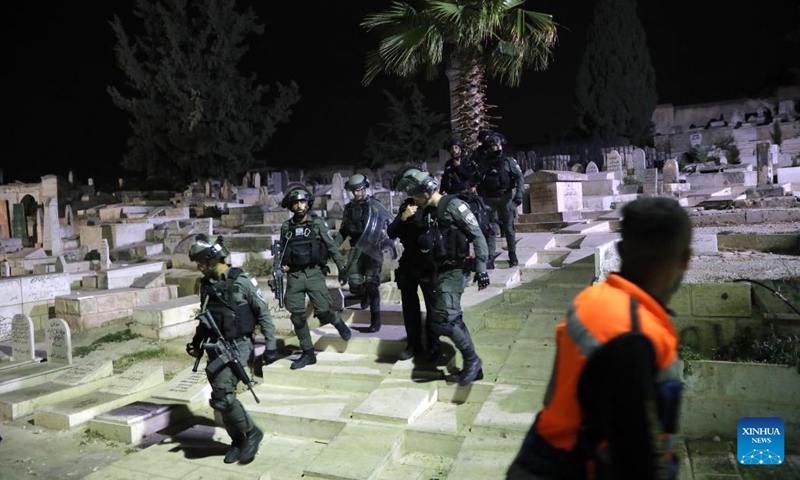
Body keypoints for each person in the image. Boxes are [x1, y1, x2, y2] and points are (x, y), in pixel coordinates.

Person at [506, 197, 693, 480]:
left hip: (538, 455)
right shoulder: (635, 336)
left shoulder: (591, 299)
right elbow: (635, 457)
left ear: (621, 249)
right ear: (685, 259)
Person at [186, 234, 277, 465]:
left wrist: (271, 345)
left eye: (201, 262)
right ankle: (238, 441)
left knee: (223, 397)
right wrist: (197, 343)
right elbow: (206, 317)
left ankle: (252, 432)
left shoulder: (242, 281)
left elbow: (263, 313)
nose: (198, 266)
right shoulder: (206, 284)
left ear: (213, 258)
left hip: (239, 345)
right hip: (215, 346)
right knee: (221, 398)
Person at [395, 169, 491, 386]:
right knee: (452, 319)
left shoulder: (454, 206)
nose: (414, 199)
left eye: (416, 195)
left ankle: (472, 360)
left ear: (426, 191)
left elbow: (477, 236)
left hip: (455, 270)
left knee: (443, 320)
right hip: (439, 271)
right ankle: (474, 368)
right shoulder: (428, 211)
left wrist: (481, 269)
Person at [278, 185, 352, 370]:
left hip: (314, 273)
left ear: (308, 204)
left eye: (302, 202)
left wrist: (342, 268)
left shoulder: (317, 224)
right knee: (297, 317)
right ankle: (308, 353)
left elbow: (331, 246)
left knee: (323, 312)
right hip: (295, 276)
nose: (299, 206)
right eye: (296, 203)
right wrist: (282, 265)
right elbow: (282, 250)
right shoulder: (286, 227)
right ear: (291, 206)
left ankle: (336, 321)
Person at [387, 167, 440, 362]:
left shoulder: (433, 206)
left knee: (433, 308)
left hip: (428, 263)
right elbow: (391, 232)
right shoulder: (407, 206)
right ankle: (413, 345)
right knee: (409, 307)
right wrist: (403, 218)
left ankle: (433, 345)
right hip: (409, 262)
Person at [337, 173, 385, 333]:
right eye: (354, 191)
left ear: (365, 188)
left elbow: (385, 225)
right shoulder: (349, 208)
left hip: (372, 249)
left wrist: (385, 241)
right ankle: (365, 294)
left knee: (372, 285)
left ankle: (375, 320)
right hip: (356, 249)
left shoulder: (374, 205)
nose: (357, 193)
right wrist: (332, 246)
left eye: (359, 190)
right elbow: (344, 231)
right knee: (355, 284)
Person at [475, 132, 524, 269]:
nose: (497, 147)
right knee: (491, 229)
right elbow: (478, 179)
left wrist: (519, 195)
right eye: (494, 145)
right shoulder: (485, 162)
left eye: (498, 145)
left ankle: (512, 254)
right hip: (489, 200)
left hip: (505, 198)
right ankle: (490, 257)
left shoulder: (508, 161)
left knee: (509, 228)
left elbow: (519, 177)